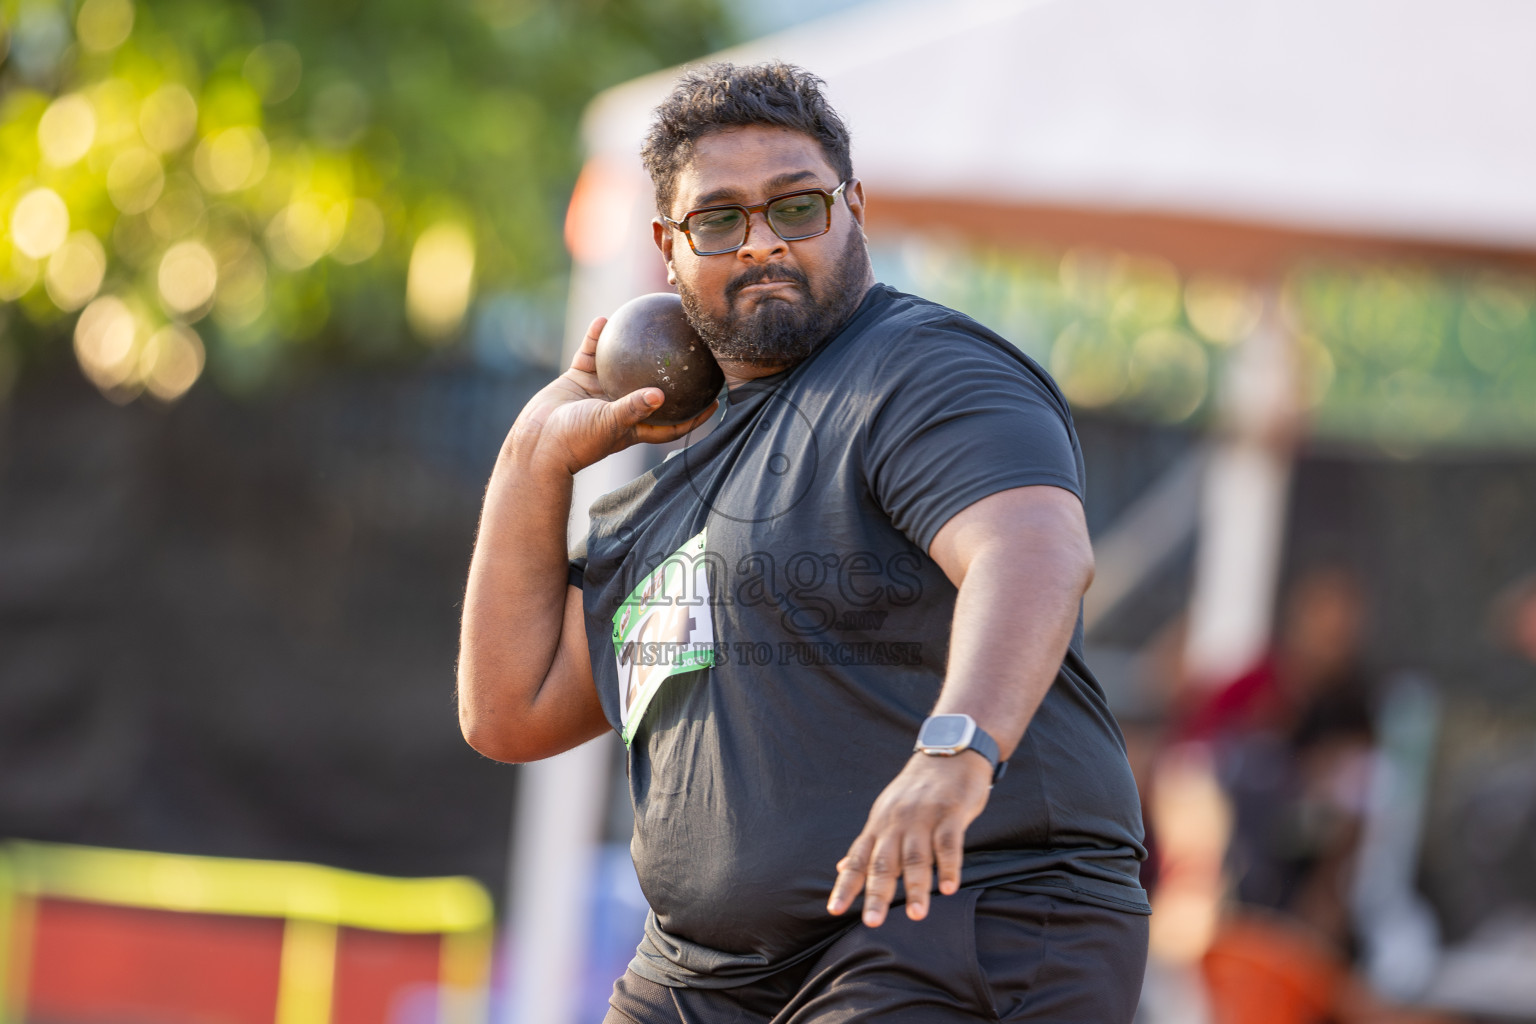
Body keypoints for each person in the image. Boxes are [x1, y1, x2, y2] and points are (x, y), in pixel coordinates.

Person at [458, 61, 1149, 1023]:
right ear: (669, 246)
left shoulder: (922, 373)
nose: (761, 247)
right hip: (706, 974)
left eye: (795, 209)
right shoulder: (674, 495)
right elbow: (514, 709)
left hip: (951, 913)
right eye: (719, 220)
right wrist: (534, 453)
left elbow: (1032, 551)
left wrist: (956, 751)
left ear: (853, 208)